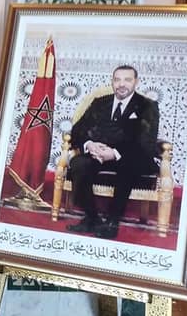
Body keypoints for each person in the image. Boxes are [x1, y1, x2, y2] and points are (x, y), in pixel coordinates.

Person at [66, 65, 160, 240]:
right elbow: (78, 130)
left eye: (127, 80)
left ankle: (112, 221)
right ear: (112, 82)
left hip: (131, 155)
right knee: (79, 163)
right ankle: (92, 218)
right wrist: (89, 144)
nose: (121, 84)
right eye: (117, 80)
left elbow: (146, 142)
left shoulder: (147, 106)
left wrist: (115, 153)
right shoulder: (100, 103)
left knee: (128, 164)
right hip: (99, 154)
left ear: (136, 82)